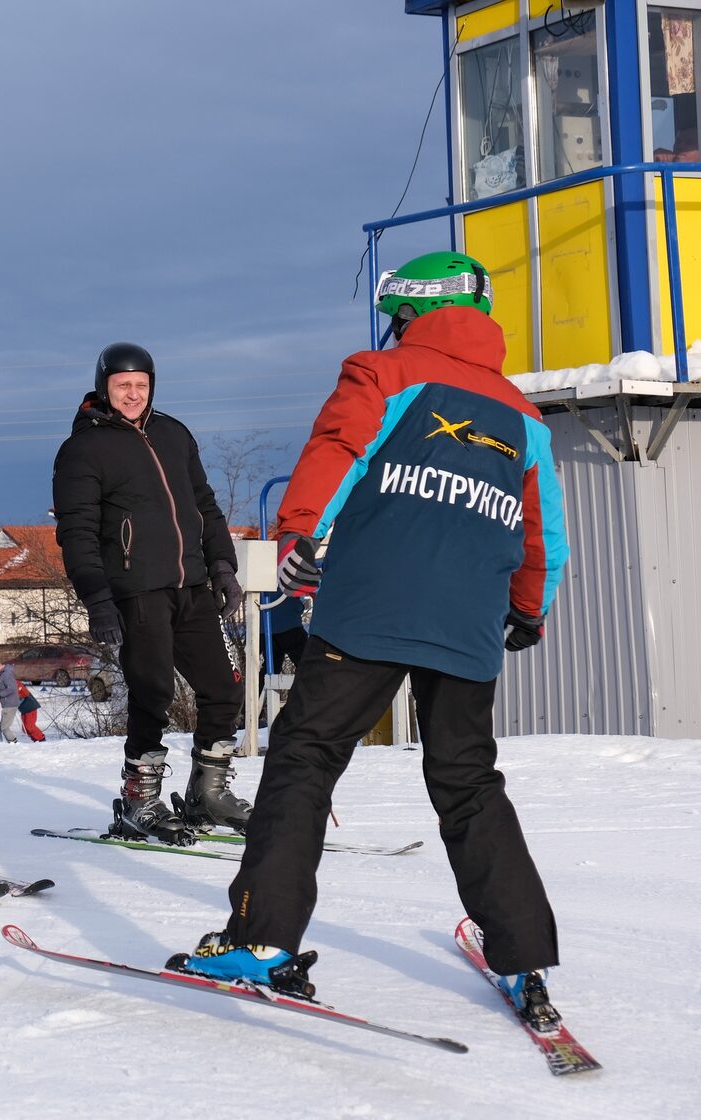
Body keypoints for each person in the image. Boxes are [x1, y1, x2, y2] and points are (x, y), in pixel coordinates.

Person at [173, 252, 570, 1029]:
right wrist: (530, 608)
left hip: (372, 610)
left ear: (414, 311)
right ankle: (524, 958)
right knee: (468, 779)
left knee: (305, 758)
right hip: (468, 622)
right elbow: (542, 532)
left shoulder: (383, 373)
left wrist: (297, 532)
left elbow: (337, 451)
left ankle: (260, 943)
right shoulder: (526, 418)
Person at [51, 342, 248, 845]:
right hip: (136, 592)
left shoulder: (174, 434)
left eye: (141, 385)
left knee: (225, 686)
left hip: (193, 585)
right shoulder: (84, 450)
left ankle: (210, 795)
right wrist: (96, 597)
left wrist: (223, 566)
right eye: (123, 385)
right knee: (152, 693)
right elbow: (76, 531)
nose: (133, 394)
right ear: (104, 387)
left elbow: (204, 505)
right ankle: (140, 801)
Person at [0, 659, 21, 743]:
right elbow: (3, 684)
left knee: (4, 727)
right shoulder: (3, 674)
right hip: (8, 703)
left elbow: (12, 688)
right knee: (4, 727)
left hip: (10, 703)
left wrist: (0, 693)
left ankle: (14, 743)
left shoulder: (6, 674)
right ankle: (13, 743)